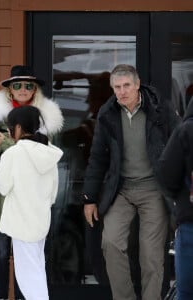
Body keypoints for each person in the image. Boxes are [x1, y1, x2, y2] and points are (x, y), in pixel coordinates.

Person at [82, 64, 180, 300]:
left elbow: (180, 144)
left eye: (127, 85)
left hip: (153, 188)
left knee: (151, 254)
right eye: (117, 87)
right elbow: (97, 158)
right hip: (122, 189)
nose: (122, 91)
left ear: (137, 85)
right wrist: (90, 198)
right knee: (111, 243)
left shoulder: (160, 109)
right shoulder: (107, 114)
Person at [0, 65, 63, 300]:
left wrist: (7, 145)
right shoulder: (0, 115)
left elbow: (3, 182)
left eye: (28, 85)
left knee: (26, 270)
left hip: (17, 211)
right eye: (17, 85)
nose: (23, 89)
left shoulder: (38, 122)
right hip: (37, 214)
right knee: (25, 262)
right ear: (9, 90)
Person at [0, 105, 63, 300]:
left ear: (17, 128)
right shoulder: (49, 154)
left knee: (28, 278)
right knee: (37, 272)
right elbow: (53, 193)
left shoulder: (13, 154)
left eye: (9, 128)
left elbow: (1, 185)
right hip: (41, 221)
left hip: (21, 223)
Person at [157, 98, 193, 300]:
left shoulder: (186, 131)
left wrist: (179, 197)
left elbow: (166, 175)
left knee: (187, 292)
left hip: (190, 224)